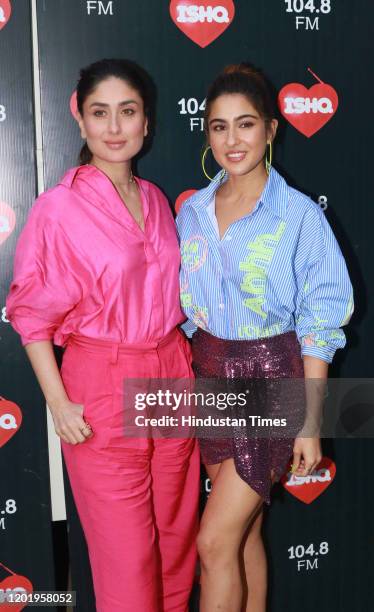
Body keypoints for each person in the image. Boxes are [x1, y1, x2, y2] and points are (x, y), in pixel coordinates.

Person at [6, 58, 199, 612]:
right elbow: (31, 316)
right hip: (102, 385)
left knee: (176, 547)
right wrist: (59, 404)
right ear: (80, 119)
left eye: (128, 112)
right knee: (129, 561)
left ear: (146, 122)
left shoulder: (159, 201)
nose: (114, 128)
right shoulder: (58, 209)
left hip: (171, 374)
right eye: (100, 113)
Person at [176, 64, 353, 612]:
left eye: (246, 124)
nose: (232, 140)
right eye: (219, 126)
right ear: (207, 134)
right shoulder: (192, 214)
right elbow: (184, 307)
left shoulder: (298, 216)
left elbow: (320, 321)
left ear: (271, 130)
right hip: (209, 374)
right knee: (243, 534)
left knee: (212, 541)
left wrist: (310, 421)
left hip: (271, 377)